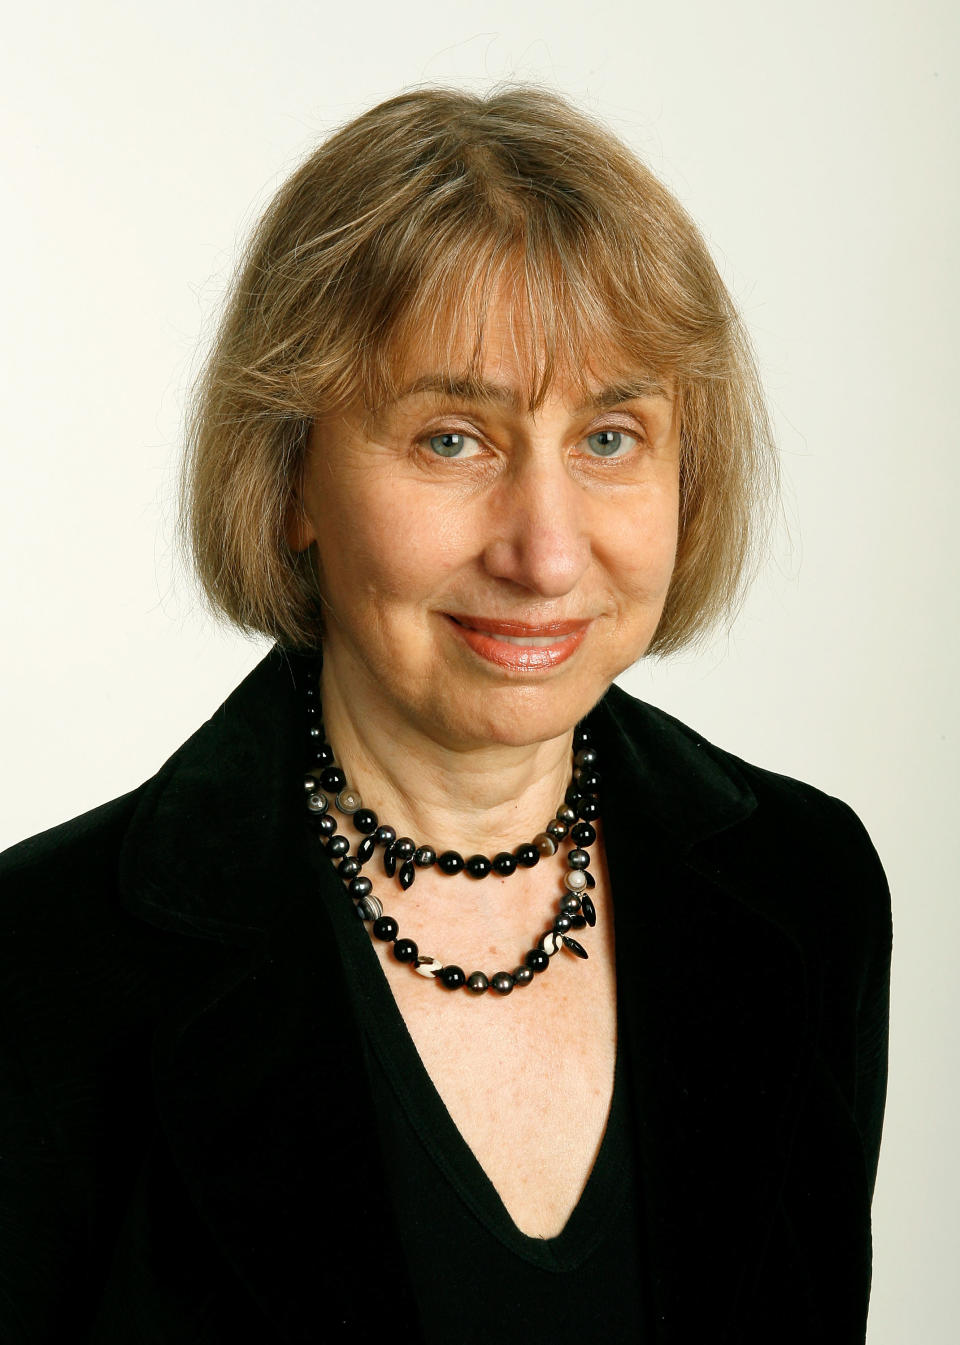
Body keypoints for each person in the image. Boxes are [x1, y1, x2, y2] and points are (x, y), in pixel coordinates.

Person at [0, 87, 891, 1344]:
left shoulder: (808, 891)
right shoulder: (40, 968)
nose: (544, 550)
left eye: (612, 436)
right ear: (292, 473)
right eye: (453, 439)